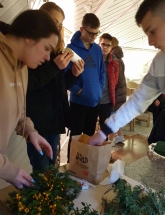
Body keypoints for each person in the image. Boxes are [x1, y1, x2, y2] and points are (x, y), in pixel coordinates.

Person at [89, 0, 165, 212]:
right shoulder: (160, 63)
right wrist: (104, 132)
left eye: (152, 31)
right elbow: (137, 102)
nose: (149, 41)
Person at [0, 9, 59, 189]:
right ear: (28, 36)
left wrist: (30, 131)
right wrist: (6, 169)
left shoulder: (22, 68)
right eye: (46, 48)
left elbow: (19, 112)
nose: (48, 58)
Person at [26, 2, 84, 171]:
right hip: (37, 121)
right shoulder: (30, 48)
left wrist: (73, 74)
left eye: (59, 24)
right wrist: (54, 67)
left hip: (54, 119)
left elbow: (60, 86)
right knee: (41, 169)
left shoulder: (56, 52)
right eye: (53, 21)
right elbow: (27, 84)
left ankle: (50, 198)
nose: (56, 27)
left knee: (51, 166)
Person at [66, 13, 105, 161]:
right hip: (79, 102)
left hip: (95, 101)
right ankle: (71, 167)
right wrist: (79, 90)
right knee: (76, 137)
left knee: (89, 137)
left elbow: (102, 72)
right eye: (91, 33)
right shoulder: (70, 49)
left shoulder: (97, 49)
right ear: (82, 29)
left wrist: (99, 90)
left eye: (96, 33)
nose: (94, 37)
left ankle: (86, 167)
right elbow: (65, 77)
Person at [98, 33, 119, 140]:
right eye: (103, 44)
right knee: (88, 128)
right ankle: (88, 153)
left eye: (108, 45)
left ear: (111, 47)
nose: (105, 47)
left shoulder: (114, 62)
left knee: (104, 129)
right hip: (93, 99)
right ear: (99, 44)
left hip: (106, 100)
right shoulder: (94, 58)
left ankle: (103, 152)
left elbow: (115, 81)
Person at [110, 37, 127, 144]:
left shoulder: (114, 59)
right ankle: (120, 136)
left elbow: (115, 79)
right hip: (120, 91)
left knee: (112, 117)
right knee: (114, 116)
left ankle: (111, 139)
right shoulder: (119, 58)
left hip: (116, 92)